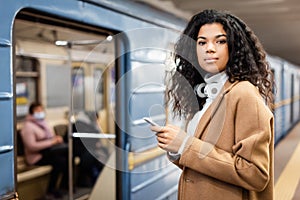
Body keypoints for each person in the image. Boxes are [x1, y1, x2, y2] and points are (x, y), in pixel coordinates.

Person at [151, 9, 274, 200]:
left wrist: (185, 145)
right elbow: (204, 162)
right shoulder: (206, 94)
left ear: (233, 47)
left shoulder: (244, 94)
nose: (209, 48)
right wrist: (176, 149)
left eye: (220, 41)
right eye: (202, 42)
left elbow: (254, 173)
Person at [20, 102, 68, 199]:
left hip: (48, 152)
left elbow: (50, 136)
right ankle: (51, 190)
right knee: (60, 160)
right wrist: (51, 143)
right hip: (36, 156)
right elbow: (31, 146)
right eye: (37, 110)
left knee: (65, 157)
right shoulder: (28, 127)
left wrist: (56, 139)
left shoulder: (43, 123)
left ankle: (63, 185)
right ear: (32, 112)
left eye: (41, 110)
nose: (40, 112)